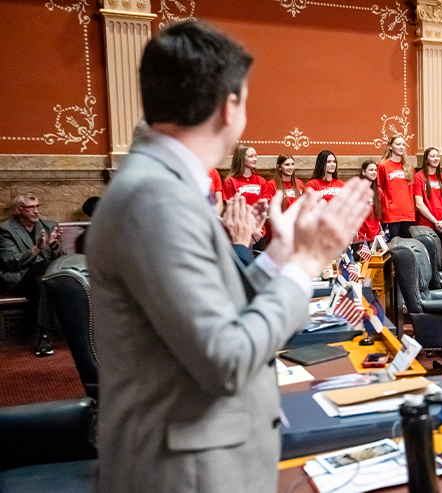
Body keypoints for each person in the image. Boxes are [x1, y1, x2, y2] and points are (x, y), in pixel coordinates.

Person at [86, 21, 372, 493]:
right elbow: (226, 359)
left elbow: (214, 313)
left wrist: (279, 255)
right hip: (187, 472)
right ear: (229, 106)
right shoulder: (156, 198)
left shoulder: (162, 184)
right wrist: (307, 261)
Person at [0, 192, 66, 356]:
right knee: (46, 270)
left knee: (42, 282)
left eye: (38, 206)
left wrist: (53, 246)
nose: (36, 211)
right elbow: (11, 262)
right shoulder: (5, 230)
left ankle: (44, 336)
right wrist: (37, 249)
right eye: (31, 208)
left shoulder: (49, 226)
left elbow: (62, 259)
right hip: (19, 278)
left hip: (40, 279)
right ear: (19, 210)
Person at [223, 145, 267, 247]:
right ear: (241, 158)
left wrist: (256, 229)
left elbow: (264, 208)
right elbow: (233, 209)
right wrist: (250, 230)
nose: (255, 159)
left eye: (256, 156)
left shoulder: (261, 181)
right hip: (240, 234)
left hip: (260, 232)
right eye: (251, 156)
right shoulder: (230, 181)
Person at [412, 147, 442, 246]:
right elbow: (419, 204)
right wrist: (435, 222)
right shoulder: (419, 177)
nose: (436, 158)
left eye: (438, 156)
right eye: (432, 156)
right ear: (426, 159)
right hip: (426, 224)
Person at [377, 134, 415, 238]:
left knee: (406, 248)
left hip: (408, 214)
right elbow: (379, 190)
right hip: (391, 215)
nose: (401, 147)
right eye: (398, 144)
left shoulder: (408, 166)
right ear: (390, 147)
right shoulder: (383, 166)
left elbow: (412, 191)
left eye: (403, 144)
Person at [359, 160, 386, 242]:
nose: (374, 172)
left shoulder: (379, 191)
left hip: (376, 236)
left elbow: (383, 214)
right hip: (361, 237)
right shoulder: (357, 190)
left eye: (375, 170)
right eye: (371, 170)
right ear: (363, 172)